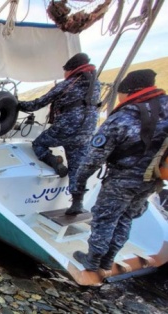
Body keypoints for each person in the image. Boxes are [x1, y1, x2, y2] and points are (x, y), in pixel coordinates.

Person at [71, 69, 168, 271]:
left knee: (105, 217)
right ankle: (109, 259)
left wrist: (79, 183)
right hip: (152, 178)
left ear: (129, 91)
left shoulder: (125, 116)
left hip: (123, 178)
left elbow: (93, 158)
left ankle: (93, 260)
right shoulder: (165, 108)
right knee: (125, 217)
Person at [18, 53, 101, 215]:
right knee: (77, 166)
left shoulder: (68, 84)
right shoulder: (95, 84)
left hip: (65, 128)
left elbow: (39, 103)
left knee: (39, 144)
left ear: (70, 70)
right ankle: (77, 202)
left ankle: (54, 162)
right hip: (86, 132)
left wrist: (17, 104)